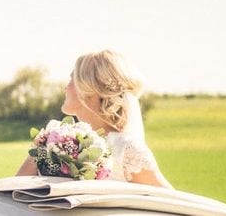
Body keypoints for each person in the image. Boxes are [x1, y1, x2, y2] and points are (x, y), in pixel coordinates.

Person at [16, 50, 173, 189]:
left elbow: (174, 203)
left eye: (72, 80)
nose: (65, 87)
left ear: (89, 88)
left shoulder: (126, 150)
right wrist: (43, 148)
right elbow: (14, 191)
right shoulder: (53, 141)